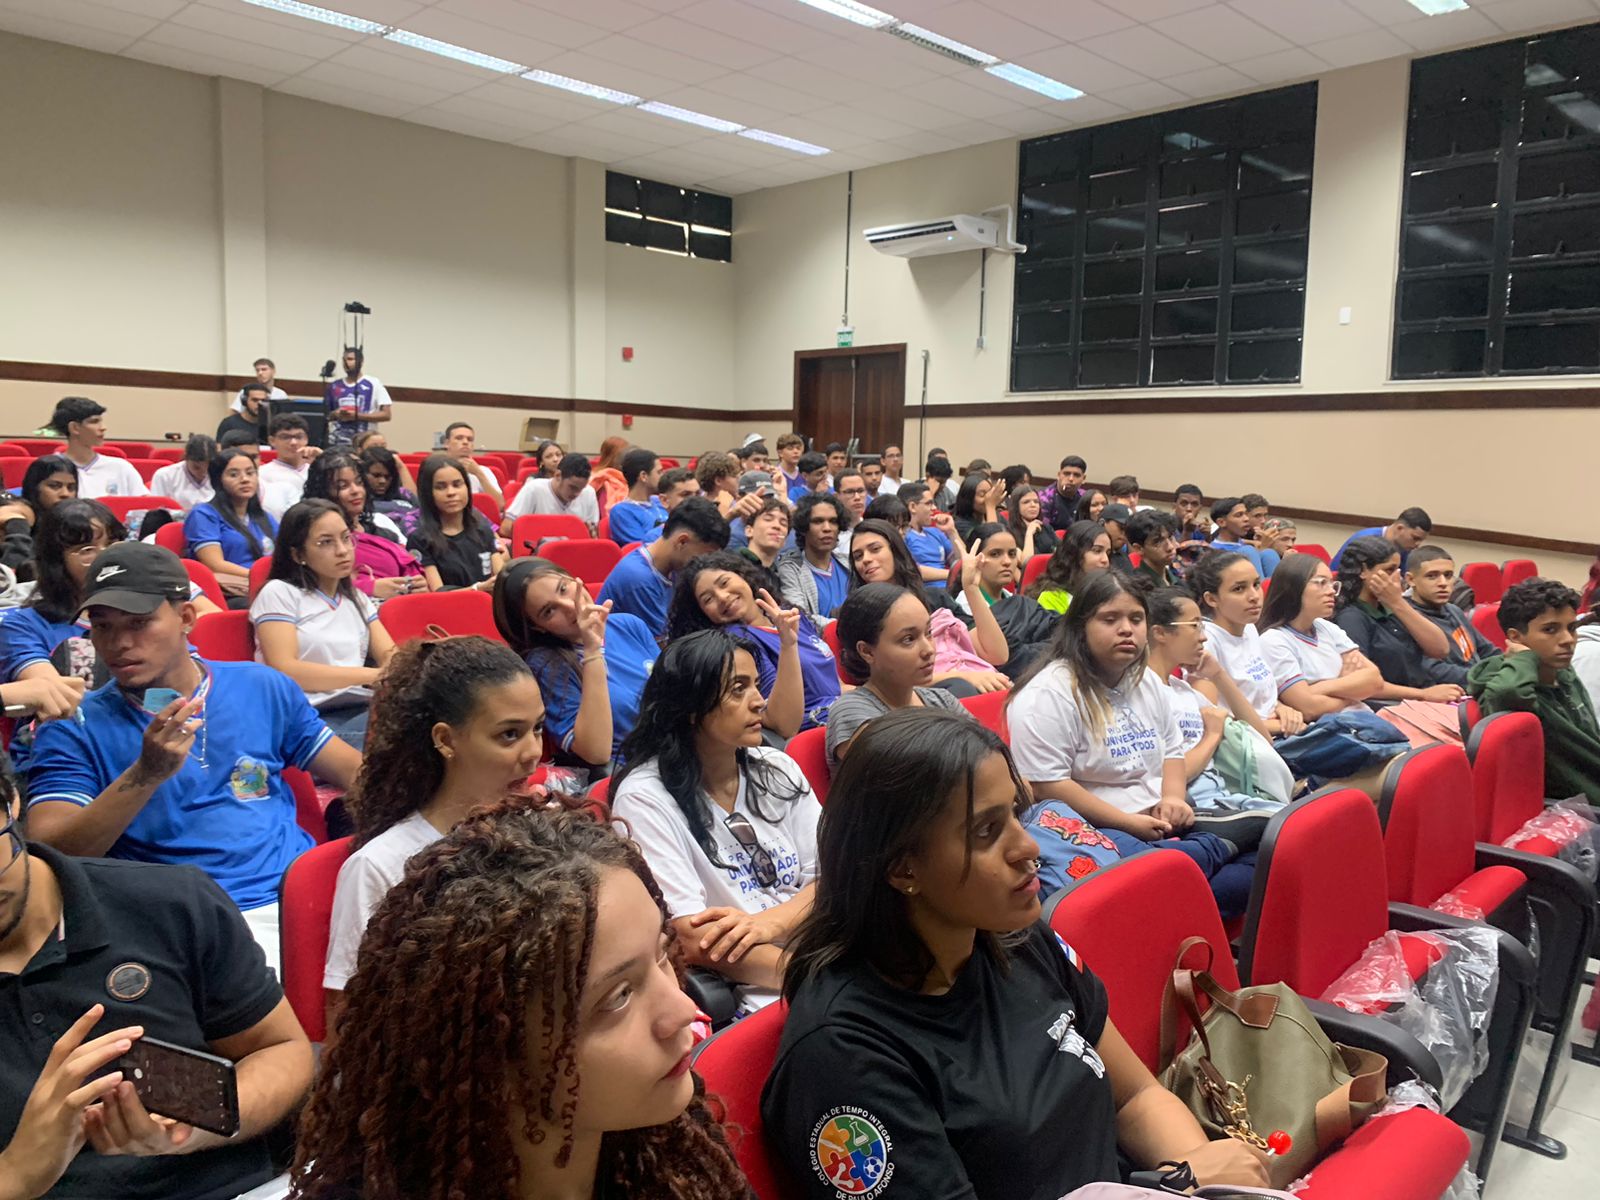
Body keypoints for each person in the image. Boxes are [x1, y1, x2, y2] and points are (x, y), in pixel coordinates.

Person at [763, 709, 1272, 1199]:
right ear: (903, 870)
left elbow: (1135, 1097)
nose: (1029, 847)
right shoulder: (842, 1056)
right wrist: (1179, 1182)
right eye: (987, 832)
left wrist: (1203, 1180)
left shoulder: (1020, 938)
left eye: (1015, 813)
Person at [295, 802, 749, 1200]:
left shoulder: (669, 1156)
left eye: (662, 954)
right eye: (618, 998)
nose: (684, 1010)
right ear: (493, 1054)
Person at [27, 543, 362, 968]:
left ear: (186, 618)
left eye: (139, 622)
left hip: (300, 896)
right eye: (102, 626)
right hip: (185, 924)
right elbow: (52, 855)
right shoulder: (74, 725)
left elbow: (358, 773)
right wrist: (144, 776)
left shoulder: (261, 686)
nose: (120, 643)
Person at [0, 762, 314, 1200]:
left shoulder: (168, 903)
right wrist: (15, 1175)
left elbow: (280, 1049)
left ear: (10, 802)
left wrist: (196, 1125)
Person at [322, 637, 545, 1027]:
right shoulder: (381, 866)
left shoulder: (541, 829)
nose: (533, 753)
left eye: (538, 728)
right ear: (445, 740)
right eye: (509, 734)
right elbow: (349, 1024)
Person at [1007, 572, 1257, 906]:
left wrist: (1173, 799)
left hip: (1162, 821)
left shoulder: (1145, 681)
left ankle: (1182, 877)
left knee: (1269, 855)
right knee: (1158, 870)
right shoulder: (1047, 693)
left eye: (1136, 619)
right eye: (1110, 619)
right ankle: (1200, 858)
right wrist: (1129, 823)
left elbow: (1171, 750)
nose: (1126, 629)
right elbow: (1047, 784)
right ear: (1080, 627)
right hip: (1094, 830)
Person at [609, 629, 820, 1014]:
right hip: (769, 989)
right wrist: (817, 976)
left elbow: (834, 879)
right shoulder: (644, 798)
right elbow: (692, 938)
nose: (759, 701)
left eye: (755, 684)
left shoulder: (777, 766)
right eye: (738, 689)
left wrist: (771, 923)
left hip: (828, 951)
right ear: (691, 706)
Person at [251, 499, 397, 748]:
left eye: (346, 538)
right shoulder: (279, 592)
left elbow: (390, 655)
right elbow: (286, 669)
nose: (342, 550)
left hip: (355, 706)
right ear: (298, 554)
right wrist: (372, 675)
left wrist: (396, 670)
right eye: (326, 542)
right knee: (398, 738)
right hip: (303, 715)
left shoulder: (357, 598)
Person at [1145, 586, 1295, 812]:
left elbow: (1262, 739)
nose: (1203, 636)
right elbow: (1168, 777)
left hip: (1225, 798)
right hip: (1195, 806)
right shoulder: (1145, 693)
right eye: (1194, 626)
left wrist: (1218, 675)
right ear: (1160, 633)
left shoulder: (1182, 690)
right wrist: (1212, 736)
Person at [495, 558, 653, 768]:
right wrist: (593, 649)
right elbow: (596, 752)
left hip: (677, 749)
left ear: (575, 580)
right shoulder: (546, 665)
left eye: (563, 589)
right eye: (549, 611)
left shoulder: (629, 624)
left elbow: (676, 692)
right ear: (538, 627)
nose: (570, 606)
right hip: (633, 770)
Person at [668, 551, 837, 736]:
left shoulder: (786, 614)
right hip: (817, 730)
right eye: (708, 599)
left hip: (841, 710)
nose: (722, 597)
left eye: (724, 583)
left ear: (743, 576)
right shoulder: (736, 642)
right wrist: (788, 645)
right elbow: (783, 723)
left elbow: (837, 684)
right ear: (703, 614)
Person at [1468, 578, 1600, 803]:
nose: (1568, 640)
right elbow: (1507, 693)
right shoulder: (1508, 686)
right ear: (1515, 638)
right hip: (1582, 809)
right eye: (1550, 630)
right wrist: (1524, 658)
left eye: (1571, 628)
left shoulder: (1563, 673)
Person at [849, 519, 1012, 696]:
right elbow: (878, 685)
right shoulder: (857, 616)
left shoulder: (934, 598)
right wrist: (962, 676)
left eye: (875, 549)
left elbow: (997, 654)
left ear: (895, 551)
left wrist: (971, 588)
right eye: (858, 556)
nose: (866, 559)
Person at [826, 583, 972, 763]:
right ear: (867, 651)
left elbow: (985, 757)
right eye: (908, 639)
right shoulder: (851, 711)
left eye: (928, 632)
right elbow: (911, 773)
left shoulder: (943, 700)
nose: (929, 649)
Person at [1255, 553, 1385, 722]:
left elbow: (1375, 681)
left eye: (1332, 584)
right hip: (1331, 728)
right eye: (1322, 583)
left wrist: (1320, 688)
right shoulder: (1274, 640)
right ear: (1294, 587)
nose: (1331, 592)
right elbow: (1309, 708)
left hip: (1366, 720)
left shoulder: (1327, 627)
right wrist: (1351, 693)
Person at [1192, 549, 1305, 737]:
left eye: (1256, 584)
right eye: (1239, 589)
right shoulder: (1205, 641)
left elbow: (1259, 696)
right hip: (1248, 742)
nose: (1254, 596)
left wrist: (1282, 708)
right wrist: (1277, 726)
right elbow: (1211, 721)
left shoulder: (1249, 629)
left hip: (1278, 731)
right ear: (1211, 599)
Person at [1331, 536, 1461, 699]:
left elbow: (1440, 650)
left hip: (1421, 693)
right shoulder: (1351, 617)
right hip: (1393, 702)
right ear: (1363, 571)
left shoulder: (1393, 607)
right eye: (1389, 570)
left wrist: (1397, 602)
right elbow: (1360, 683)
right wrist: (1422, 694)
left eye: (1398, 570)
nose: (1397, 578)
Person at [598, 498, 728, 641]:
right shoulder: (639, 579)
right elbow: (660, 648)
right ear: (682, 542)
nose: (705, 563)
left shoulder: (669, 556)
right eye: (705, 554)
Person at [183, 447, 278, 601]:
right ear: (218, 480)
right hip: (230, 593)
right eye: (234, 474)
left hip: (267, 586)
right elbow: (215, 564)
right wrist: (261, 577)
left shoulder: (264, 517)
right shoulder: (204, 514)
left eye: (250, 473)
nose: (245, 479)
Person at [408, 453, 504, 592]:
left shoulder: (483, 530)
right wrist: (478, 589)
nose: (451, 492)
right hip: (450, 604)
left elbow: (501, 578)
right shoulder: (419, 539)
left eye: (457, 484)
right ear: (428, 493)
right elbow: (437, 592)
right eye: (441, 487)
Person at [1406, 545, 1499, 686]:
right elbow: (1432, 670)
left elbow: (1488, 651)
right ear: (1411, 580)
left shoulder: (1454, 610)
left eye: (1448, 575)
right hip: (1452, 690)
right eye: (1432, 576)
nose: (1443, 583)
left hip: (1477, 683)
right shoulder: (1407, 617)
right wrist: (1486, 678)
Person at [44, 396, 146, 499]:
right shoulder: (47, 468)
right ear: (74, 428)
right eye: (94, 422)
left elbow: (144, 503)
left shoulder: (121, 467)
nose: (103, 428)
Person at [775, 494, 850, 622]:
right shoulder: (791, 569)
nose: (827, 528)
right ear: (804, 528)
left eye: (833, 521)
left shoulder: (848, 563)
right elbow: (800, 617)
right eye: (818, 521)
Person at [502, 452, 601, 538]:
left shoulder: (589, 493)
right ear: (558, 475)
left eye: (581, 488)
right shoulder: (534, 489)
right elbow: (506, 528)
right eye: (572, 487)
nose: (577, 493)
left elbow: (593, 536)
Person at [1025, 518, 1110, 615]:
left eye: (1108, 553)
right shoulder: (1051, 598)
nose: (1106, 560)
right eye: (1097, 551)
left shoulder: (1106, 593)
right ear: (1074, 553)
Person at [323, 346, 392, 449]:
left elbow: (386, 415)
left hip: (365, 441)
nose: (346, 363)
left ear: (361, 362)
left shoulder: (374, 383)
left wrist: (357, 416)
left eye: (350, 359)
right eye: (344, 360)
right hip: (338, 442)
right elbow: (326, 415)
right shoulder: (334, 386)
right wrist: (336, 414)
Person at [1331, 506, 1433, 570]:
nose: (1417, 544)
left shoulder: (1405, 548)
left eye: (1421, 540)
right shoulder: (1366, 540)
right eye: (1415, 538)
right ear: (1400, 528)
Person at [258, 414, 317, 520]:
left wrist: (322, 461)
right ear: (272, 441)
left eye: (299, 437)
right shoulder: (262, 474)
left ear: (306, 439)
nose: (293, 442)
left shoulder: (316, 470)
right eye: (285, 437)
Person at [899, 481, 959, 582]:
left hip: (949, 586)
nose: (934, 508)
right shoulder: (903, 535)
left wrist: (951, 531)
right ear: (912, 507)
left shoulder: (935, 532)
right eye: (929, 503)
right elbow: (912, 571)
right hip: (926, 589)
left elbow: (960, 560)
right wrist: (953, 574)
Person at [609, 448, 668, 546]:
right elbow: (642, 548)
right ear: (643, 476)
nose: (664, 477)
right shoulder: (622, 511)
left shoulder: (660, 501)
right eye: (659, 472)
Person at [1206, 498, 1274, 578]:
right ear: (1222, 522)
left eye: (1246, 514)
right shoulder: (1216, 552)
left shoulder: (1241, 543)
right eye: (1239, 515)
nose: (1246, 519)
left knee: (1269, 554)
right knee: (1249, 551)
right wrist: (1263, 548)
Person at [148, 433, 215, 512]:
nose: (203, 472)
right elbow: (157, 511)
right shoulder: (164, 476)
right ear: (186, 458)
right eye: (196, 467)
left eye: (209, 467)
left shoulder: (220, 475)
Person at [441, 421, 505, 504]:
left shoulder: (483, 471)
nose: (465, 442)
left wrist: (478, 473)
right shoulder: (438, 470)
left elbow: (500, 505)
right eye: (459, 438)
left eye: (470, 439)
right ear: (447, 443)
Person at [360, 444, 419, 517]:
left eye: (387, 477)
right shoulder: (359, 504)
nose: (382, 481)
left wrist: (401, 467)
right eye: (376, 475)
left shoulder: (404, 494)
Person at [1127, 509, 1182, 586]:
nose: (1170, 547)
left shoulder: (1177, 581)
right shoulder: (1136, 587)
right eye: (1158, 542)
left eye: (1170, 537)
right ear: (1138, 548)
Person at [1006, 484, 1056, 561]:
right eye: (1026, 502)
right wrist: (1029, 533)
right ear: (1016, 506)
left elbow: (1062, 552)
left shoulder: (1046, 528)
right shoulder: (1008, 533)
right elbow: (1026, 562)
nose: (1033, 505)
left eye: (1036, 502)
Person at [1038, 454, 1088, 532]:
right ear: (1059, 475)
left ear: (1083, 478)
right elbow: (1043, 531)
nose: (1071, 479)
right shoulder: (1044, 498)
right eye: (1066, 474)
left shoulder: (1086, 498)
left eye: (1076, 475)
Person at [18, 455, 78, 519]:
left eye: (71, 487)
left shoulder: (81, 518)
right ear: (34, 487)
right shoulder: (17, 516)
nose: (65, 494)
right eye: (54, 486)